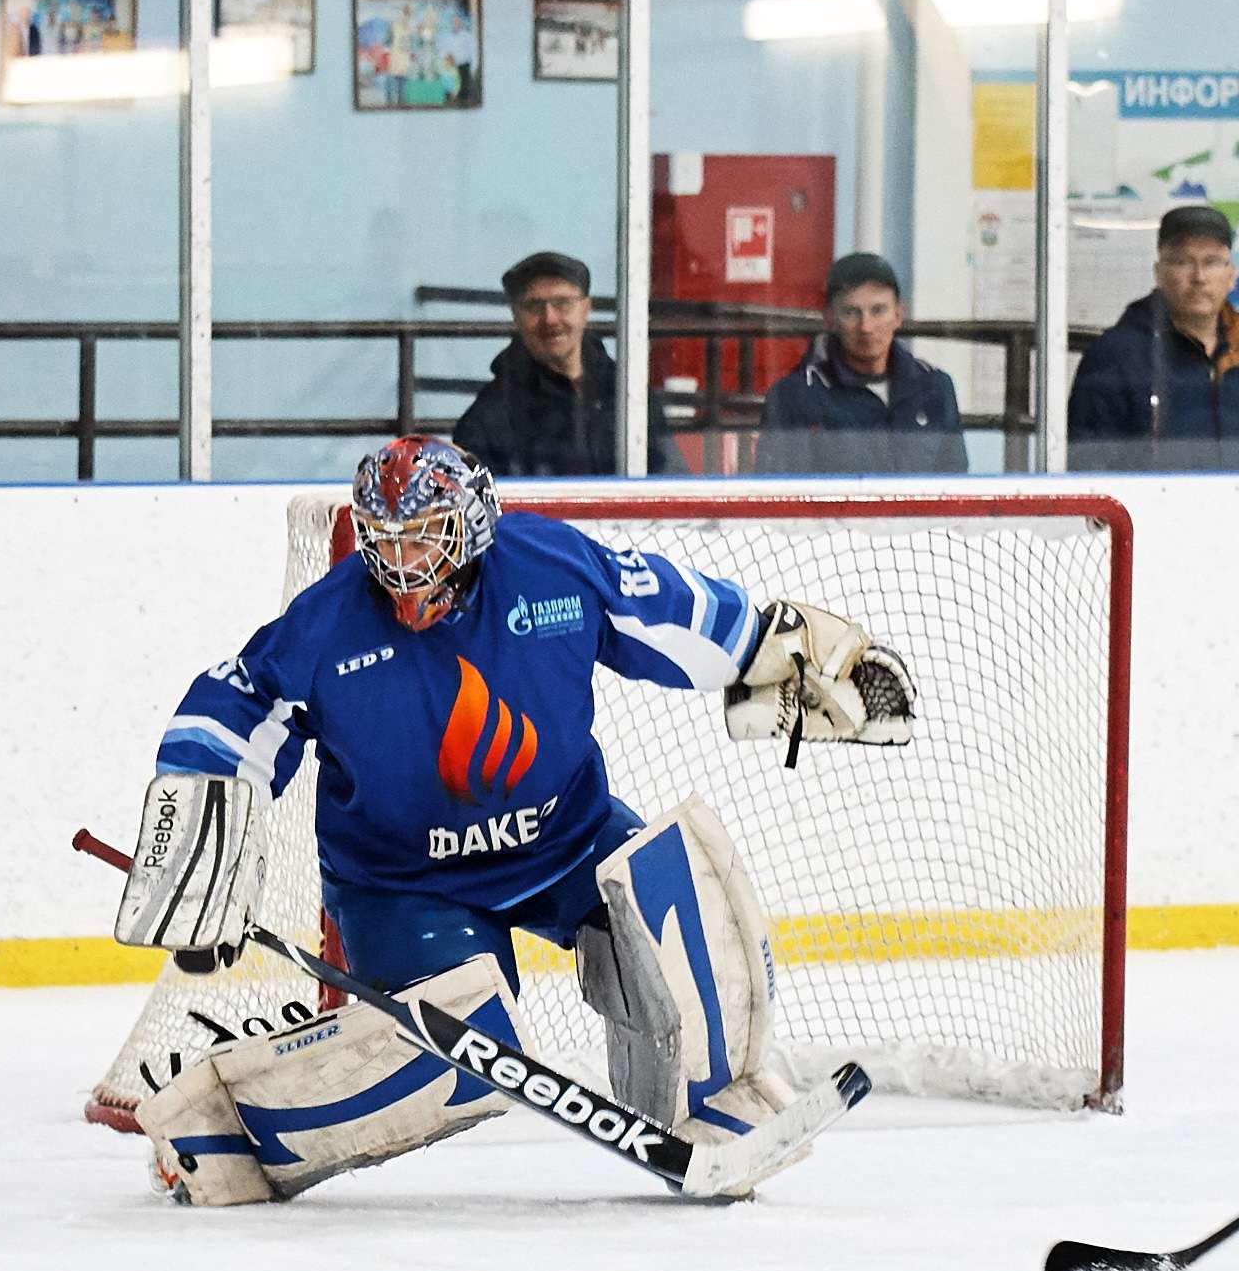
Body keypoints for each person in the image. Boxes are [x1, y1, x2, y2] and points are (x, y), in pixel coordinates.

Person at [109, 436, 915, 1205]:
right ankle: (224, 1135)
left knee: (682, 890)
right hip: (404, 887)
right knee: (460, 1052)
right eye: (386, 539)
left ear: (472, 525)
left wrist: (768, 646)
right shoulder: (327, 624)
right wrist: (197, 848)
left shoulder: (550, 568)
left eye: (425, 537)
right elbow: (231, 711)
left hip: (568, 843)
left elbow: (669, 611)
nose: (402, 563)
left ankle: (717, 1105)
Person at [1066, 204, 1239, 471]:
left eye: (1212, 262)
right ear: (1159, 274)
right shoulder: (1114, 358)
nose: (1199, 277)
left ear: (1231, 276)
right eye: (1182, 262)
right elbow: (1088, 473)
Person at [447, 251, 675, 479]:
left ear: (586, 308)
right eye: (534, 306)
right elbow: (480, 507)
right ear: (515, 315)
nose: (550, 319)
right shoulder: (489, 418)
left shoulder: (627, 395)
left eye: (563, 303)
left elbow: (669, 482)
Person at [755, 252, 970, 476]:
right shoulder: (795, 397)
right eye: (851, 313)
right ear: (830, 319)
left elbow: (955, 488)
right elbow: (779, 498)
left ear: (898, 315)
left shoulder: (934, 387)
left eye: (878, 310)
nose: (866, 326)